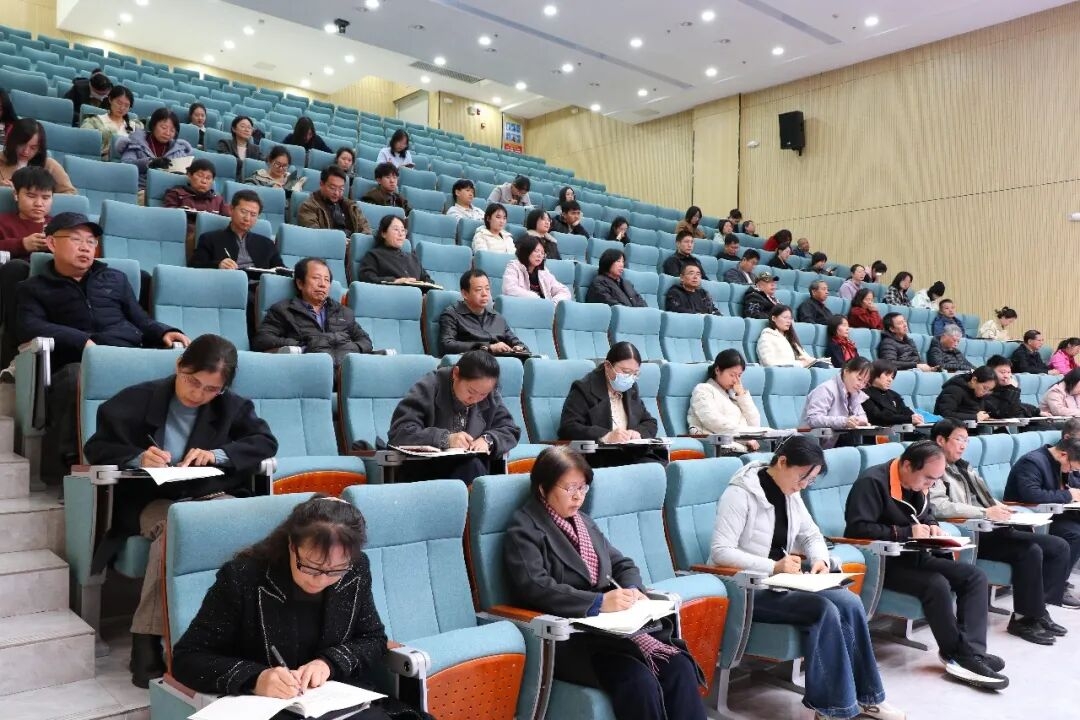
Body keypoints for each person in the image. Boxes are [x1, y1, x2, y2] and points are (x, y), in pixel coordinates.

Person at [82, 334, 278, 687]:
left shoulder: (231, 407)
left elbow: (265, 442)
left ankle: (242, 636)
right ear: (179, 365)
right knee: (177, 529)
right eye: (192, 381)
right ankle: (146, 640)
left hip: (211, 495)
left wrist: (217, 455)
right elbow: (97, 448)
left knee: (246, 529)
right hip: (152, 501)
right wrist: (137, 457)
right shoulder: (135, 399)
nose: (198, 394)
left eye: (211, 389)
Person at [170, 495, 433, 720]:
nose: (320, 580)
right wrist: (256, 678)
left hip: (339, 702)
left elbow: (373, 639)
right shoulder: (243, 577)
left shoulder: (356, 569)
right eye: (310, 566)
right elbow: (187, 658)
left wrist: (329, 663)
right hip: (268, 708)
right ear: (291, 545)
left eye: (335, 570)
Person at [503, 446, 707, 720]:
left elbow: (622, 564)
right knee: (638, 681)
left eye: (583, 488)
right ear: (543, 488)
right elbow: (535, 586)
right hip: (571, 638)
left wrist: (632, 589)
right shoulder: (525, 527)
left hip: (614, 632)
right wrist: (598, 602)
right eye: (569, 488)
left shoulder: (583, 522)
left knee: (679, 666)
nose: (578, 496)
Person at [710, 436, 904, 720]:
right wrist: (773, 566)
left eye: (810, 481)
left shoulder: (791, 492)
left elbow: (811, 535)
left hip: (785, 582)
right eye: (802, 477)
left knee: (849, 602)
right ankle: (832, 707)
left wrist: (820, 560)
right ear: (782, 462)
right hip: (747, 589)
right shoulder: (740, 494)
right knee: (823, 609)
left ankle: (869, 698)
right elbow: (721, 551)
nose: (803, 485)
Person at [17, 213, 190, 486]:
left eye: (91, 241)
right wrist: (81, 340)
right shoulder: (33, 288)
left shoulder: (114, 278)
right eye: (76, 240)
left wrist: (163, 331)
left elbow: (140, 318)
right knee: (75, 378)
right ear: (51, 243)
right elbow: (30, 326)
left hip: (127, 354)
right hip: (79, 361)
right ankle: (75, 468)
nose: (86, 247)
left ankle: (160, 460)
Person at [845, 441, 1006, 689]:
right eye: (928, 479)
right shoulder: (872, 482)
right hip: (885, 564)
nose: (930, 485)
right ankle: (958, 655)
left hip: (916, 556)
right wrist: (905, 532)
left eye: (935, 480)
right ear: (907, 466)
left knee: (974, 576)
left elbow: (925, 514)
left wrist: (932, 526)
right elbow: (857, 529)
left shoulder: (920, 484)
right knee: (936, 584)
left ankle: (972, 652)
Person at [929, 419, 1077, 641]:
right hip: (973, 532)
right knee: (1030, 551)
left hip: (993, 526)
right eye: (959, 439)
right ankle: (1023, 619)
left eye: (966, 440)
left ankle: (1038, 611)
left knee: (1058, 546)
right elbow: (939, 506)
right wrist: (984, 513)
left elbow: (986, 497)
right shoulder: (933, 467)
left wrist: (1002, 508)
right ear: (941, 440)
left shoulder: (964, 466)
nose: (963, 445)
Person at [388, 350, 520, 483]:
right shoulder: (429, 386)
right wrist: (445, 439)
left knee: (475, 467)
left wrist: (488, 439)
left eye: (483, 395)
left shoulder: (488, 393)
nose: (475, 399)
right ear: (456, 374)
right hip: (426, 469)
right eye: (471, 391)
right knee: (472, 469)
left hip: (470, 467)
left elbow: (510, 429)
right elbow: (401, 431)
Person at [559, 342, 666, 467]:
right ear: (607, 366)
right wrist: (606, 435)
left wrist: (637, 433)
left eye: (635, 373)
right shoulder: (584, 389)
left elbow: (650, 422)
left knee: (659, 468)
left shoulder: (631, 388)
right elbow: (568, 427)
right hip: (600, 457)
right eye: (625, 372)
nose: (630, 378)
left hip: (631, 454)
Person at [253, 257, 373, 365]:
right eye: (316, 278)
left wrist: (349, 348)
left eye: (327, 280)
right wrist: (304, 345)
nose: (322, 284)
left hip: (342, 370)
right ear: (300, 283)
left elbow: (365, 341)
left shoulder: (344, 312)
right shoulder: (283, 310)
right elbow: (262, 339)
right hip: (308, 367)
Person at [1004, 436, 1080, 589]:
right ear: (1063, 454)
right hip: (1030, 517)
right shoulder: (1032, 462)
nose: (1071, 472)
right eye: (1072, 468)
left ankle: (1059, 582)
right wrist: (1068, 495)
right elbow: (1032, 495)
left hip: (1055, 514)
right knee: (1075, 534)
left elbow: (1070, 486)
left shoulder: (1060, 462)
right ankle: (1052, 588)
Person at [0, 167, 54, 367]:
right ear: (16, 195)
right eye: (31, 196)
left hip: (52, 283)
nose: (39, 203)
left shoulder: (59, 226)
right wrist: (22, 244)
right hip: (15, 285)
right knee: (17, 268)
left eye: (46, 197)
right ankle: (12, 352)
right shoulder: (4, 222)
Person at [687, 349, 764, 451]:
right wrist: (744, 438)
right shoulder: (703, 390)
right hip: (719, 447)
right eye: (732, 375)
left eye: (739, 375)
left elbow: (755, 425)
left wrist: (742, 395)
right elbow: (713, 421)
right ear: (717, 370)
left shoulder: (734, 395)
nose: (736, 380)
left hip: (742, 446)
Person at [439, 270, 528, 356]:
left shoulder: (497, 317)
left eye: (487, 289)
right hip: (473, 362)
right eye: (479, 290)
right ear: (465, 294)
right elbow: (447, 345)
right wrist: (488, 347)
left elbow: (518, 343)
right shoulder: (452, 314)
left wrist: (519, 348)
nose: (485, 294)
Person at [189, 189, 281, 271]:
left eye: (253, 215)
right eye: (243, 212)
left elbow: (282, 271)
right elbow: (194, 267)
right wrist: (218, 265)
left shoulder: (267, 244)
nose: (247, 218)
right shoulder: (210, 239)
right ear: (231, 209)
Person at [163, 158, 230, 253]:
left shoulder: (218, 200)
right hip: (185, 236)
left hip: (213, 240)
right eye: (200, 176)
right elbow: (169, 217)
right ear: (190, 175)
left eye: (208, 178)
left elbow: (227, 221)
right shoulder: (176, 193)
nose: (204, 181)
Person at [803, 356, 872, 445]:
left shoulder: (854, 394)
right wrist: (844, 422)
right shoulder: (826, 389)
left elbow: (861, 416)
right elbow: (813, 419)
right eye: (859, 379)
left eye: (865, 382)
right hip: (813, 441)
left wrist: (861, 422)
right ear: (846, 371)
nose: (861, 385)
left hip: (836, 439)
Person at [119, 108, 194, 190]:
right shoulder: (136, 142)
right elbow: (126, 165)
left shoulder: (178, 150)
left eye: (172, 130)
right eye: (164, 128)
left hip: (168, 191)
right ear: (153, 125)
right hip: (141, 189)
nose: (167, 133)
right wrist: (150, 163)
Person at [0, 119, 76, 193]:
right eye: (21, 145)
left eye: (33, 148)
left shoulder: (50, 165)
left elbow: (70, 194)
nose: (26, 151)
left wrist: (45, 197)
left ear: (39, 149)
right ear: (13, 142)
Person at [357, 215, 433, 286]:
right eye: (396, 229)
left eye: (403, 230)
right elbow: (366, 278)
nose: (401, 234)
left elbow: (428, 281)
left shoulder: (413, 258)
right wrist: (394, 281)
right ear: (383, 233)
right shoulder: (374, 255)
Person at [297, 166, 372, 235]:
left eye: (341, 189)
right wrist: (338, 241)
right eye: (332, 188)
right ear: (321, 184)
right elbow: (314, 234)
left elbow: (366, 230)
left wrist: (356, 242)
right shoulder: (309, 206)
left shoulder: (351, 206)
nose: (337, 193)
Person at [503, 234, 571, 302]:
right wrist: (537, 300)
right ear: (527, 251)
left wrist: (553, 303)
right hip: (522, 306)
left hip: (543, 307)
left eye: (542, 253)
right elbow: (509, 289)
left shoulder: (544, 272)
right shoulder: (514, 266)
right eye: (536, 251)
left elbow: (564, 291)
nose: (539, 255)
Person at [80, 85, 141, 159]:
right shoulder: (94, 121)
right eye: (119, 103)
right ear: (110, 99)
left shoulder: (135, 126)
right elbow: (86, 143)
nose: (122, 108)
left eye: (126, 105)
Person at [862, 360, 924, 426]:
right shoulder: (864, 394)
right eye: (886, 375)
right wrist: (908, 419)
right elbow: (877, 416)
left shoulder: (894, 395)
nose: (890, 380)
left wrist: (915, 417)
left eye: (892, 377)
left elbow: (904, 410)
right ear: (874, 374)